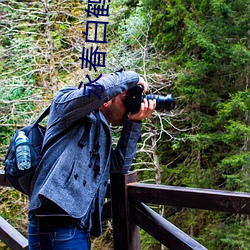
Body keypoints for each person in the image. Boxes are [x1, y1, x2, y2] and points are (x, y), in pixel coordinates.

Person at [28, 70, 156, 250]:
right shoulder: (66, 101)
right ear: (107, 98)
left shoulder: (101, 130)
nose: (128, 107)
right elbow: (101, 90)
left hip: (73, 226)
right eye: (125, 99)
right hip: (58, 224)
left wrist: (134, 123)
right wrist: (133, 78)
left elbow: (118, 167)